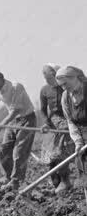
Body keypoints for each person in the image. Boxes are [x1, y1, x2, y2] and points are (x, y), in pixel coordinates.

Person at [39, 64, 74, 193]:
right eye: (45, 76)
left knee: (63, 153)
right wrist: (46, 123)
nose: (47, 78)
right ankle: (57, 182)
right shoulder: (44, 90)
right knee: (52, 156)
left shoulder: (66, 88)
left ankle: (65, 181)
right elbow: (42, 110)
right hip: (54, 122)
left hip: (68, 120)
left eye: (49, 75)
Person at [56, 66, 87, 188]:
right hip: (82, 138)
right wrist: (78, 142)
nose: (64, 87)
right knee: (85, 175)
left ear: (75, 78)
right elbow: (70, 121)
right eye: (61, 86)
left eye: (65, 83)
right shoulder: (65, 97)